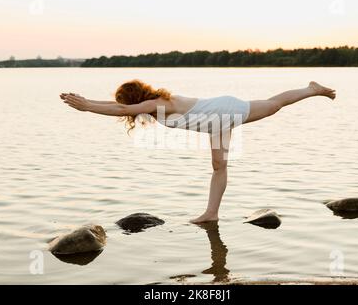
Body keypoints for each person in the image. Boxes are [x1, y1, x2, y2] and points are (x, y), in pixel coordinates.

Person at [60, 79, 336, 223]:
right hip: (215, 120)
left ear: (135, 100)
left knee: (273, 105)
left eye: (126, 102)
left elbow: (120, 110)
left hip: (223, 111)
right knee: (219, 166)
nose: (125, 108)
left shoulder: (158, 104)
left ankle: (311, 89)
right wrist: (86, 101)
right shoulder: (154, 102)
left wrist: (87, 108)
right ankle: (211, 213)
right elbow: (117, 106)